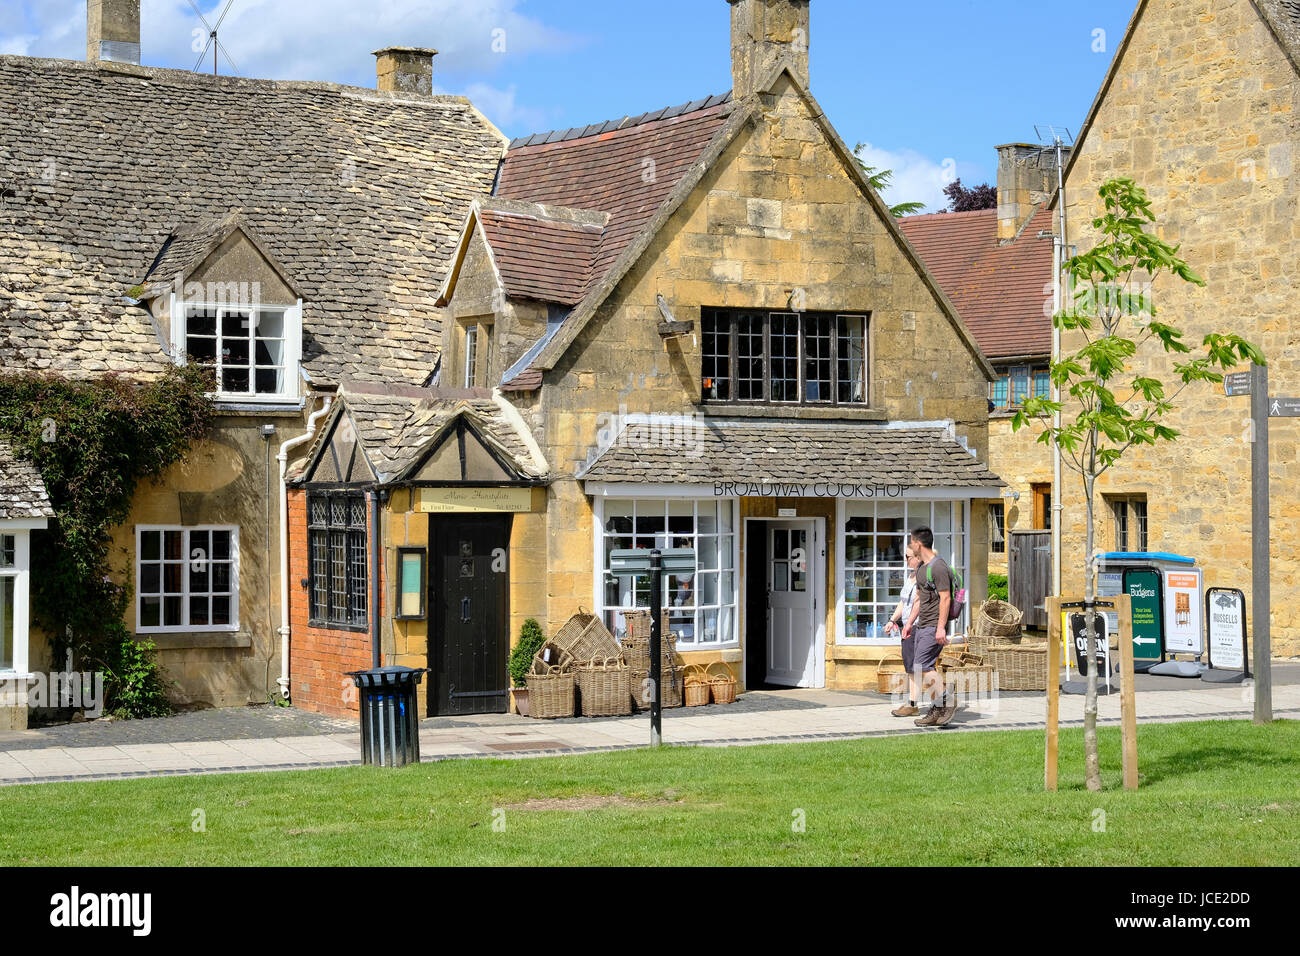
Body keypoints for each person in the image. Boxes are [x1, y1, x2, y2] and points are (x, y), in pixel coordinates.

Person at [901, 525, 957, 727]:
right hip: (922, 625)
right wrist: (908, 624)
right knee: (922, 667)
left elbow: (945, 599)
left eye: (911, 542)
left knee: (922, 666)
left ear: (918, 543)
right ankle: (937, 709)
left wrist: (941, 627)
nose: (910, 546)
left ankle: (946, 702)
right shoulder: (922, 569)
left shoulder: (939, 567)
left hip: (934, 625)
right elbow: (918, 599)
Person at [884, 545, 922, 716]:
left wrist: (910, 624)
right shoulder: (911, 576)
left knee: (918, 667)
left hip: (918, 626)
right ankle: (915, 703)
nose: (905, 560)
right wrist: (892, 620)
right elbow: (903, 602)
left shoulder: (923, 576)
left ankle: (916, 704)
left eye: (908, 557)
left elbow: (918, 604)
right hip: (907, 626)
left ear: (918, 557)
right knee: (911, 665)